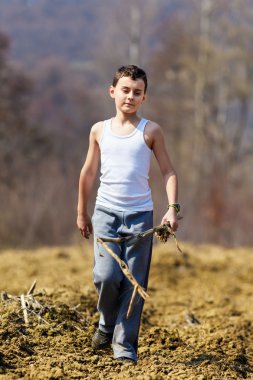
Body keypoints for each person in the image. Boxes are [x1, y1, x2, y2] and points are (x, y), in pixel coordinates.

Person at [77, 65, 180, 365]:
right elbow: (88, 172)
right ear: (112, 92)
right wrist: (81, 211)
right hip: (105, 214)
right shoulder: (99, 130)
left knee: (134, 285)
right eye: (125, 90)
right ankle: (106, 324)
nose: (130, 97)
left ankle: (124, 348)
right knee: (106, 277)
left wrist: (172, 209)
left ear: (144, 97)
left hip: (140, 218)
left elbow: (169, 171)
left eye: (137, 92)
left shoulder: (151, 131)